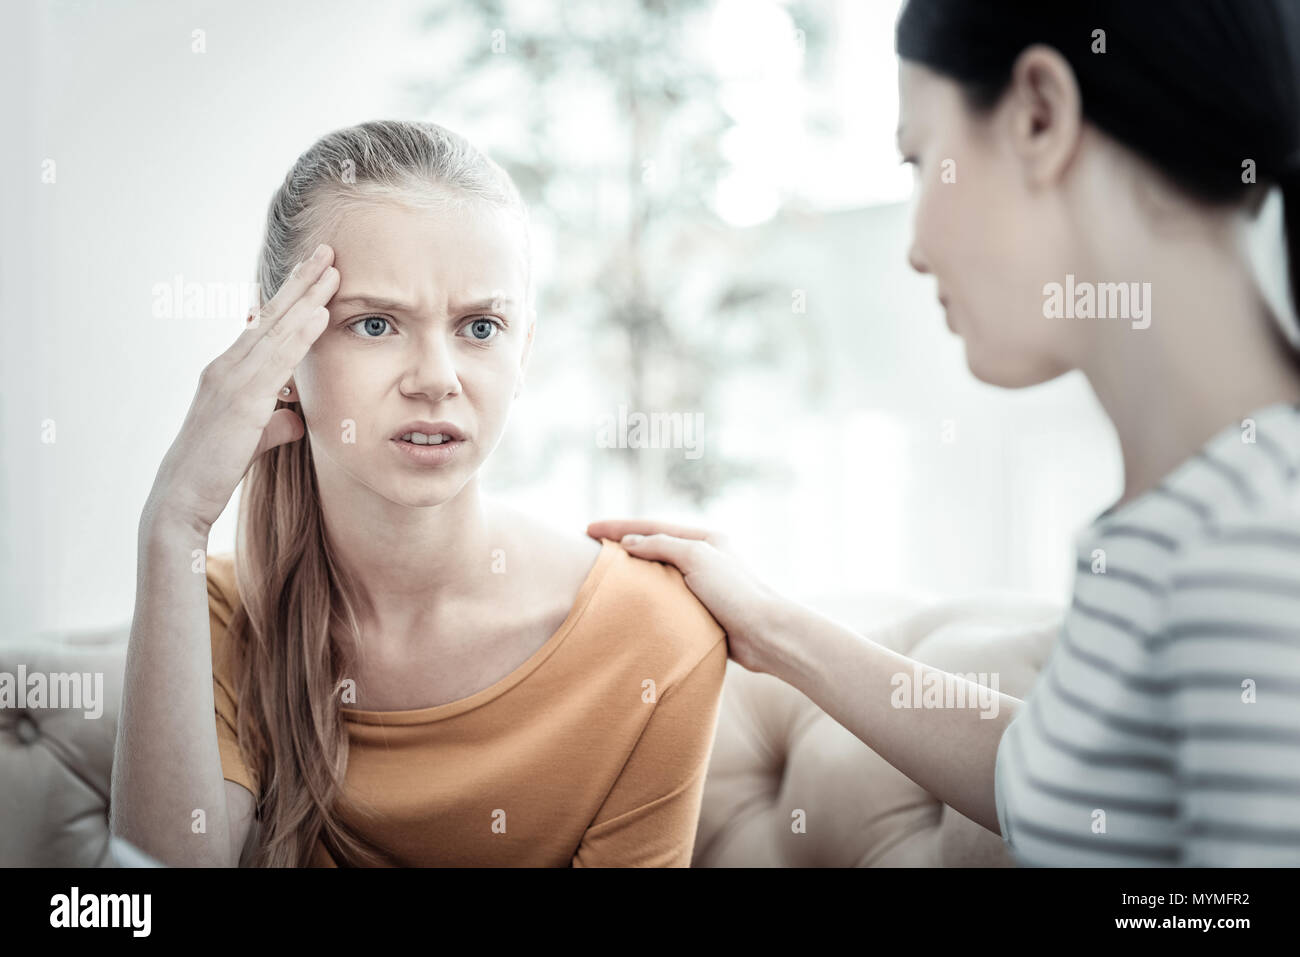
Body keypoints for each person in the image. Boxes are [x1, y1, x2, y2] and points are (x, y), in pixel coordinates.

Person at [591, 0, 1300, 866]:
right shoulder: (1190, 519)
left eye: (923, 162)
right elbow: (1053, 778)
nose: (917, 247)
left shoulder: (1256, 543)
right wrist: (771, 625)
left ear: (1040, 115)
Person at [110, 120, 727, 867]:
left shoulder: (655, 634)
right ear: (273, 353)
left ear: (521, 350)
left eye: (479, 325)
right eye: (375, 324)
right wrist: (173, 521)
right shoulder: (220, 615)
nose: (436, 377)